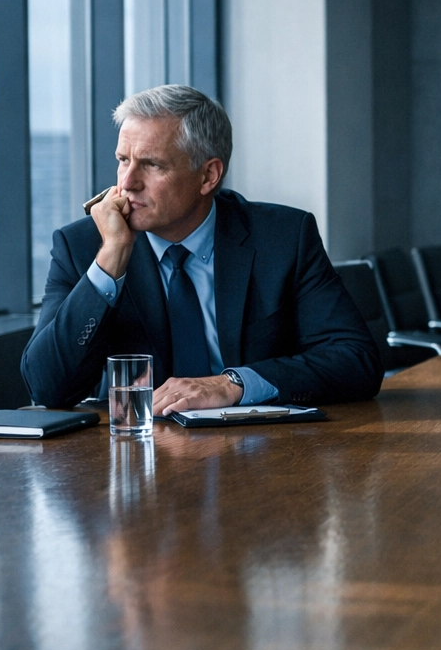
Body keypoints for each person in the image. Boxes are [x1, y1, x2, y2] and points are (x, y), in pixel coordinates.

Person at [22, 85, 383, 413]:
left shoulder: (283, 237)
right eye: (123, 160)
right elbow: (47, 387)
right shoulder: (84, 246)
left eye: (151, 164)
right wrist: (111, 258)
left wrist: (233, 385)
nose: (128, 182)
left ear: (208, 176)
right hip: (139, 458)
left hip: (264, 457)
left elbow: (356, 361)